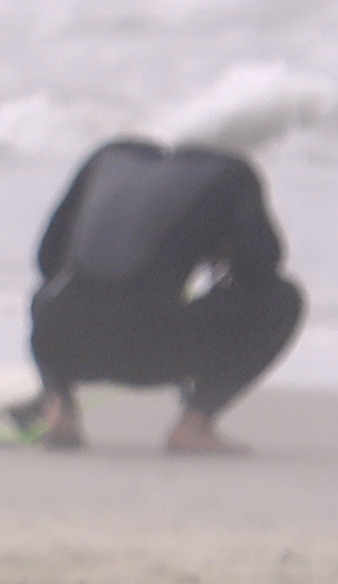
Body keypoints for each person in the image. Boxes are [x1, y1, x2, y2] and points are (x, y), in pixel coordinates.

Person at [22, 135, 303, 455]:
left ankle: (60, 404)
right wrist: (218, 252)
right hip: (149, 353)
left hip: (59, 343)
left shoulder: (106, 158)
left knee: (50, 295)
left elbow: (48, 260)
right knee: (284, 299)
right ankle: (195, 424)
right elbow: (263, 268)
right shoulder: (233, 174)